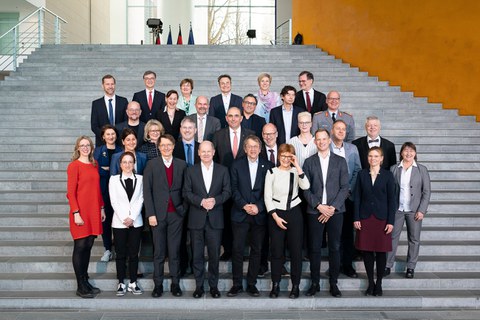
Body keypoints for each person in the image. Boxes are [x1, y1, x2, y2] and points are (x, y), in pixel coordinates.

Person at [302, 129, 350, 297]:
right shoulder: (308, 162)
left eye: (324, 139)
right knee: (314, 248)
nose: (321, 142)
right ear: (315, 142)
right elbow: (305, 189)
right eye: (318, 139)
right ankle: (315, 283)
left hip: (335, 212)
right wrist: (319, 206)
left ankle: (333, 283)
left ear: (329, 140)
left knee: (335, 247)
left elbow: (345, 188)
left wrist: (331, 208)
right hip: (315, 212)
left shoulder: (340, 161)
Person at [183, 141, 232, 299]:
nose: (205, 154)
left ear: (213, 152)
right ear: (198, 153)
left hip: (215, 219)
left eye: (208, 151)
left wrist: (215, 201)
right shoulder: (190, 171)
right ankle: (199, 286)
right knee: (197, 255)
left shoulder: (222, 170)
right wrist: (201, 201)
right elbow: (186, 192)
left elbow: (227, 191)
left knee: (214, 255)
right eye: (202, 151)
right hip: (196, 218)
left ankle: (213, 286)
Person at [227, 135, 273, 298]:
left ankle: (252, 283)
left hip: (259, 215)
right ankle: (237, 284)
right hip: (240, 213)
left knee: (257, 250)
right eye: (250, 146)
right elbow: (233, 189)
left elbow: (270, 191)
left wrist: (258, 206)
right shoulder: (236, 165)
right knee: (237, 249)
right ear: (245, 149)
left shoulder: (268, 166)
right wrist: (244, 205)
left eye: (256, 147)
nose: (253, 149)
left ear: (260, 149)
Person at [143, 135, 187, 298]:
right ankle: (158, 285)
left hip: (176, 215)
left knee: (174, 251)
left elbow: (186, 190)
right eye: (163, 145)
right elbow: (147, 191)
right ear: (159, 147)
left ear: (174, 146)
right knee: (159, 252)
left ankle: (175, 284)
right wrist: (151, 214)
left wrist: (183, 209)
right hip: (158, 216)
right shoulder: (151, 165)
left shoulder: (182, 165)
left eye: (169, 145)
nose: (166, 148)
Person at [264, 143, 310, 299]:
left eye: (289, 156)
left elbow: (306, 186)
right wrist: (275, 217)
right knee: (277, 252)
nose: (285, 159)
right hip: (276, 214)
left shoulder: (295, 171)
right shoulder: (271, 172)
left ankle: (295, 286)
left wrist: (297, 165)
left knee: (296, 252)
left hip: (294, 213)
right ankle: (275, 285)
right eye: (283, 156)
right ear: (279, 156)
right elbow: (267, 197)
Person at [212, 106, 255, 261]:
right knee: (226, 217)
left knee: (243, 219)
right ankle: (228, 249)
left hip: (244, 185)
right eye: (230, 116)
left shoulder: (250, 135)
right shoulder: (218, 135)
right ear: (226, 117)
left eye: (236, 116)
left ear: (241, 118)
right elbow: (214, 160)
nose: (233, 118)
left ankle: (243, 250)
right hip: (223, 185)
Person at [354, 147, 396, 296]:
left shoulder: (388, 176)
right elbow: (357, 197)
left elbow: (392, 200)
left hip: (382, 219)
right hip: (365, 218)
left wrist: (391, 221)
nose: (373, 158)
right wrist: (356, 218)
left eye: (376, 156)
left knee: (380, 252)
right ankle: (370, 283)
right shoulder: (362, 174)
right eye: (370, 156)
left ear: (382, 158)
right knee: (366, 252)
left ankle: (379, 284)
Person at [385, 142, 431, 279]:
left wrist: (422, 210)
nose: (408, 153)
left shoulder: (422, 169)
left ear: (415, 153)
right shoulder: (394, 168)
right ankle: (387, 265)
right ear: (401, 153)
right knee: (392, 238)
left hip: (414, 210)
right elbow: (389, 190)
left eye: (411, 151)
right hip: (397, 209)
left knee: (414, 239)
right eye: (406, 151)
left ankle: (411, 267)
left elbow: (426, 192)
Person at [67, 136, 105, 298]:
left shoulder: (94, 165)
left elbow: (97, 189)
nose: (85, 148)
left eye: (87, 145)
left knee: (89, 244)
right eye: (82, 145)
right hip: (80, 212)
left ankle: (85, 279)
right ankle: (80, 284)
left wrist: (102, 208)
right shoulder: (74, 166)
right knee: (80, 246)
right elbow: (70, 192)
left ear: (91, 147)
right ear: (77, 148)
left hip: (93, 210)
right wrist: (76, 213)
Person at [330, 120, 362, 278]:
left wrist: (348, 189)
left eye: (344, 129)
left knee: (348, 233)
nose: (341, 131)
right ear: (332, 130)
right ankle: (334, 265)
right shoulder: (325, 146)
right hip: (329, 198)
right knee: (334, 234)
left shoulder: (352, 148)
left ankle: (347, 265)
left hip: (348, 197)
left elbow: (357, 170)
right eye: (338, 128)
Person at [109, 152, 144, 296]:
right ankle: (121, 282)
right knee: (120, 254)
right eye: (125, 162)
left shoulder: (141, 179)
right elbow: (114, 201)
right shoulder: (114, 179)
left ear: (134, 163)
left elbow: (141, 199)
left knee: (134, 254)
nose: (128, 165)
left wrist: (132, 217)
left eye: (130, 162)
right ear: (120, 164)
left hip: (136, 222)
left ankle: (133, 282)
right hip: (119, 222)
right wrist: (124, 217)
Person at [93, 124, 122, 263]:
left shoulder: (121, 150)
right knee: (106, 222)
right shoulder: (98, 151)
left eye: (113, 134)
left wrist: (106, 169)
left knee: (119, 220)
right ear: (103, 137)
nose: (111, 137)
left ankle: (119, 248)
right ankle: (107, 249)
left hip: (119, 192)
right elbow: (95, 171)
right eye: (108, 134)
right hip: (104, 191)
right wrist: (108, 170)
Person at [91, 74, 128, 146]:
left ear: (115, 85)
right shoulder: (96, 104)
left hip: (120, 142)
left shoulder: (123, 101)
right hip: (102, 143)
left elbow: (126, 122)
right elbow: (94, 126)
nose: (110, 86)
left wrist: (117, 136)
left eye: (112, 84)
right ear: (103, 86)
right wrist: (105, 137)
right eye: (107, 84)